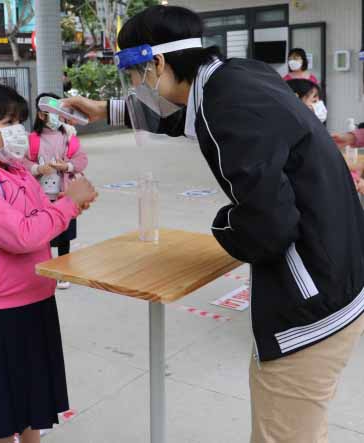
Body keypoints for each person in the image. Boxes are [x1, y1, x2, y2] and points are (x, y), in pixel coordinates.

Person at [63, 6, 364, 443]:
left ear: (158, 63)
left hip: (312, 296)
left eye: (133, 73)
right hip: (341, 269)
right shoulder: (237, 76)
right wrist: (105, 111)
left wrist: (224, 225)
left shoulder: (227, 106)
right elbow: (179, 117)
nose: (135, 85)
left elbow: (268, 227)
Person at [0, 81, 97, 443]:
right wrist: (69, 204)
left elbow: (42, 216)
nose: (16, 131)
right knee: (3, 414)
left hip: (34, 300)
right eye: (5, 122)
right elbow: (23, 235)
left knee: (32, 405)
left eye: (19, 121)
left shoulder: (14, 172)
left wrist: (67, 202)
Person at [22, 92, 88, 291]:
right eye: (52, 112)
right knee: (42, 236)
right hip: (40, 197)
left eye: (59, 112)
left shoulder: (69, 137)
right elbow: (22, 163)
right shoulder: (31, 140)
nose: (57, 116)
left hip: (64, 195)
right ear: (41, 115)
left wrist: (66, 166)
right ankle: (44, 271)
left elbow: (81, 160)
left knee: (65, 236)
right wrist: (37, 169)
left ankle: (62, 273)